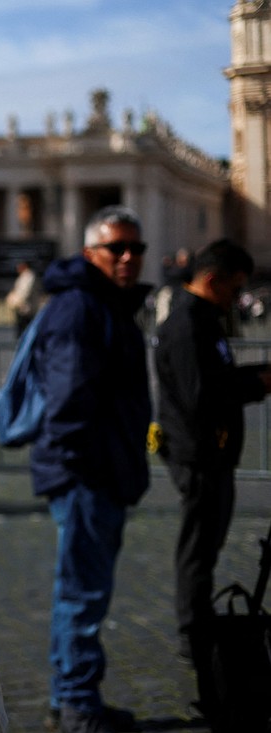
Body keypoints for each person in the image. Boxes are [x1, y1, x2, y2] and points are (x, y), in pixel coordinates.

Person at [31, 205, 151, 733]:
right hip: (89, 474)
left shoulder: (101, 304)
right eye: (116, 248)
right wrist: (90, 467)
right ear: (89, 253)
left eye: (136, 248)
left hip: (99, 468)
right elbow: (67, 403)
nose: (129, 258)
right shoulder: (81, 308)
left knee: (81, 591)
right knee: (82, 594)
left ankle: (73, 697)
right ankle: (78, 704)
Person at [152, 239, 271, 721]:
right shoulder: (186, 325)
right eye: (235, 288)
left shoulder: (204, 319)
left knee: (208, 542)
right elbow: (203, 395)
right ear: (214, 278)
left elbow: (215, 377)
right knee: (198, 546)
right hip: (198, 455)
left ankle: (198, 625)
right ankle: (193, 632)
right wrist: (259, 383)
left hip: (211, 454)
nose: (236, 299)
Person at [5, 260, 41, 337]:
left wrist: (17, 301)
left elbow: (25, 292)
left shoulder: (29, 277)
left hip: (26, 306)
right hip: (22, 307)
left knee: (27, 327)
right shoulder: (23, 277)